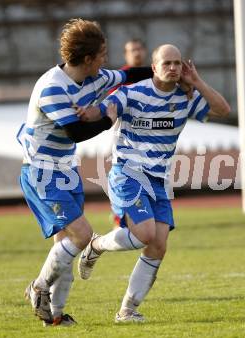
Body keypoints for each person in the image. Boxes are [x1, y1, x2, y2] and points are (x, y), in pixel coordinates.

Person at [77, 44, 230, 322]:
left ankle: (127, 310)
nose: (173, 68)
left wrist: (197, 81)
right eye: (167, 63)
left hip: (158, 179)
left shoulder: (187, 96)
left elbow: (222, 109)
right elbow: (107, 108)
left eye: (177, 63)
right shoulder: (133, 92)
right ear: (154, 67)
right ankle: (96, 245)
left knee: (158, 245)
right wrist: (92, 114)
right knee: (145, 234)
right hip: (128, 172)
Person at [17, 18, 152, 326]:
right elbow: (76, 131)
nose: (106, 59)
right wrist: (108, 118)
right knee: (81, 236)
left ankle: (56, 315)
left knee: (64, 243)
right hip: (41, 172)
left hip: (65, 168)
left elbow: (128, 74)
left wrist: (163, 71)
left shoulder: (95, 76)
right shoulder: (52, 87)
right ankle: (38, 287)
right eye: (102, 54)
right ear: (88, 58)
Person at [110, 39, 148, 227]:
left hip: (150, 142)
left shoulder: (155, 78)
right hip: (126, 140)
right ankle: (119, 216)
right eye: (132, 50)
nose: (136, 53)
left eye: (139, 48)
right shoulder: (122, 78)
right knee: (124, 176)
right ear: (126, 55)